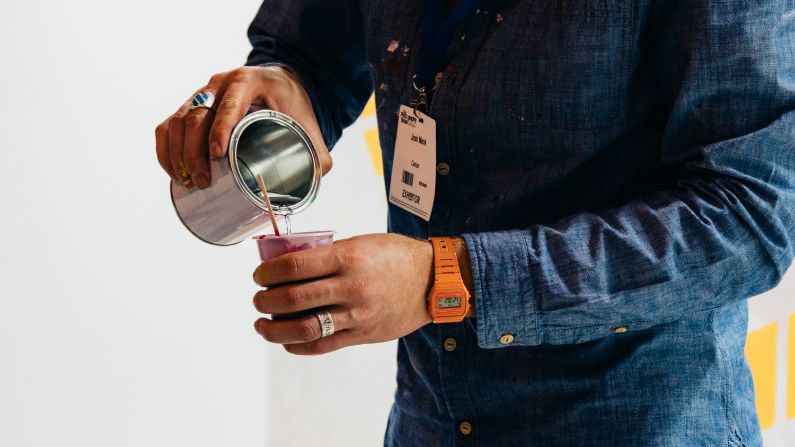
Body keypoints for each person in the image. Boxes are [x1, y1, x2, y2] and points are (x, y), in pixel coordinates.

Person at [155, 1, 795, 445]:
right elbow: (307, 51)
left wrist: (448, 279)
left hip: (636, 422)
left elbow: (749, 214)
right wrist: (282, 82)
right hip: (429, 419)